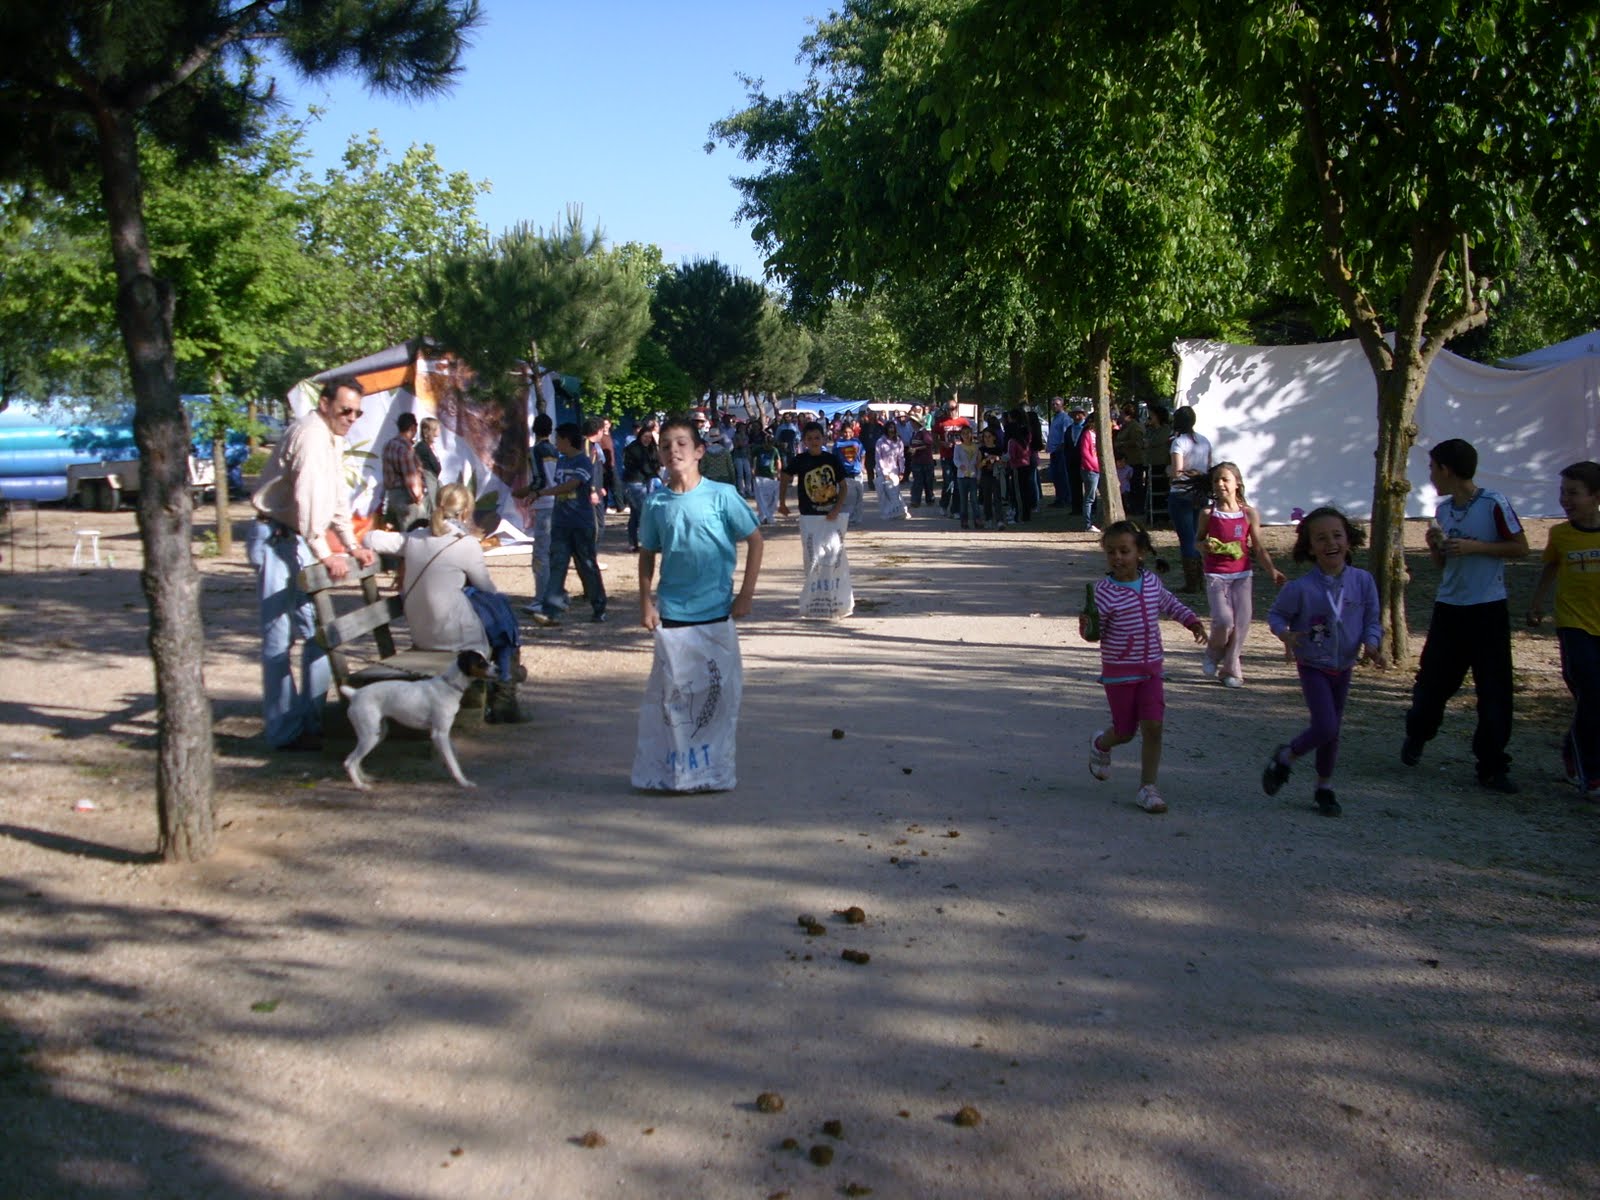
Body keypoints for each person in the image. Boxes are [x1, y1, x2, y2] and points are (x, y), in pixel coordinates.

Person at [633, 413, 764, 791]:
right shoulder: (657, 503)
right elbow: (647, 554)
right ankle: (679, 772)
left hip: (717, 614)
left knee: (717, 697)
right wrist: (646, 603)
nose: (673, 451)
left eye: (681, 443)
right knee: (676, 701)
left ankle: (713, 772)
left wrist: (746, 594)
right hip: (674, 615)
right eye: (665, 445)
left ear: (699, 451)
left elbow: (755, 540)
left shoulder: (722, 496)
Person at [248, 376, 377, 751]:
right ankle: (285, 732)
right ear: (324, 404)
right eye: (345, 410)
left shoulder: (332, 438)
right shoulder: (308, 435)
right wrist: (325, 553)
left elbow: (336, 498)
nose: (351, 418)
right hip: (276, 538)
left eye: (357, 413)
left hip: (297, 540)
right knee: (278, 641)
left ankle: (312, 720)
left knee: (320, 634)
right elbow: (306, 501)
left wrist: (351, 545)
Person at [1401, 438, 1529, 792]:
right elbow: (1443, 565)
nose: (1430, 475)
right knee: (1433, 683)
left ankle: (1492, 764)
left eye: (1432, 468)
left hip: (1487, 607)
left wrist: (1477, 548)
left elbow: (1521, 547)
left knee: (1494, 689)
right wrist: (1436, 548)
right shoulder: (1443, 510)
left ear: (1447, 469)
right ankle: (1418, 732)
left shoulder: (1493, 503)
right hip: (1449, 607)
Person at [363, 483, 524, 723]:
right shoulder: (466, 544)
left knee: (493, 613)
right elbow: (487, 587)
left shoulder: (414, 538)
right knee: (501, 613)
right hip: (458, 638)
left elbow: (369, 538)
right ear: (465, 512)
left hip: (422, 635)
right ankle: (505, 692)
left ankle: (505, 682)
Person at [1262, 507, 1386, 816]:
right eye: (1320, 538)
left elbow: (1372, 620)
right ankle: (1286, 756)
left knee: (1333, 730)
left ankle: (1324, 788)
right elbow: (1276, 615)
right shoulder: (1300, 588)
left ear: (1349, 540)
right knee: (1326, 726)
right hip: (1313, 666)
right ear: (1309, 547)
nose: (1331, 543)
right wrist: (1284, 634)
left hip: (1344, 666)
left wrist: (1372, 645)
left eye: (1337, 535)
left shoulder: (1363, 581)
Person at [1082, 520, 1206, 814]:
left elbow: (1170, 603)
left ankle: (1148, 788)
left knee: (1153, 727)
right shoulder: (1103, 592)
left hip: (1151, 671)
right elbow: (1093, 632)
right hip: (1119, 673)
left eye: (1124, 551)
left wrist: (1192, 621)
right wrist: (1088, 627)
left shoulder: (1151, 582)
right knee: (1125, 732)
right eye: (1111, 552)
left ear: (1141, 553)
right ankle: (1101, 744)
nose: (1117, 558)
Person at [1527, 460, 1600, 797]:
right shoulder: (1560, 535)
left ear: (1596, 496)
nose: (1565, 500)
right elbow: (1551, 568)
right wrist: (1536, 603)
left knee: (1593, 699)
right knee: (1591, 692)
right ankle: (1592, 772)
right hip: (1573, 625)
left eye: (1573, 493)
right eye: (1562, 493)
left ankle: (1572, 745)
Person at [1197, 462, 1286, 687]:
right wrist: (1204, 546)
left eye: (1225, 479)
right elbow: (1197, 541)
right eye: (1216, 480)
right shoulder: (1208, 514)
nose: (1220, 484)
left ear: (1237, 483)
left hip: (1242, 576)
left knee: (1242, 623)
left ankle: (1231, 670)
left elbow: (1258, 548)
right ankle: (1213, 652)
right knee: (1224, 621)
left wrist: (1272, 570)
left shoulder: (1248, 514)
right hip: (1216, 576)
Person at [521, 422, 606, 625]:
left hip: (581, 523)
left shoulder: (583, 461)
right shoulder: (561, 461)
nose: (555, 443)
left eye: (558, 439)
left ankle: (599, 606)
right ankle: (551, 611)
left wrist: (541, 493)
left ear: (567, 440)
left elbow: (571, 485)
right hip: (560, 522)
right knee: (558, 565)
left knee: (587, 565)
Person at [778, 422, 853, 619]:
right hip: (809, 517)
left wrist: (837, 508)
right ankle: (815, 598)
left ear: (824, 439)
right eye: (809, 439)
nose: (814, 442)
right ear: (804, 441)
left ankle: (835, 597)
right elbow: (785, 476)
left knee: (834, 557)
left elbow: (843, 486)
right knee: (813, 559)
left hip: (831, 517)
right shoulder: (800, 460)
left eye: (817, 438)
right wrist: (782, 502)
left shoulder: (831, 459)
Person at [1168, 405, 1213, 592]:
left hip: (1181, 492)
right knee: (1199, 534)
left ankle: (1192, 581)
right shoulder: (1204, 441)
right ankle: (1201, 577)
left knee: (1187, 537)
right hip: (1200, 493)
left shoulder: (1178, 443)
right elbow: (1208, 467)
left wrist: (1168, 472)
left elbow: (1177, 472)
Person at [521, 414, 560, 615]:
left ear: (534, 430)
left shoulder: (534, 451)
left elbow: (539, 479)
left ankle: (541, 598)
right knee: (553, 552)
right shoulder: (556, 450)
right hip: (558, 503)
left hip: (544, 503)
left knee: (540, 554)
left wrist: (529, 493)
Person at [380, 411, 427, 533]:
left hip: (392, 496)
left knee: (396, 535)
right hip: (406, 498)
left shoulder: (388, 445)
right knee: (415, 534)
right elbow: (411, 477)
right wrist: (418, 497)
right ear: (413, 427)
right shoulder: (405, 449)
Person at [621, 418, 661, 552]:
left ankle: (635, 542)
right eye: (645, 437)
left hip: (647, 482)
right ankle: (645, 542)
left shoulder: (651, 449)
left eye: (649, 437)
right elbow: (643, 466)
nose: (647, 439)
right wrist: (655, 474)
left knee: (636, 513)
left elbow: (656, 463)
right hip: (634, 483)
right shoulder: (633, 449)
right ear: (640, 436)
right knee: (643, 512)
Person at [933, 401, 970, 516]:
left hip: (960, 457)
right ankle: (944, 505)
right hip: (947, 456)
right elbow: (934, 438)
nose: (950, 411)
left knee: (959, 483)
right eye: (948, 409)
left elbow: (969, 437)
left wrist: (963, 444)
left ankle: (956, 509)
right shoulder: (941, 422)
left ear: (956, 408)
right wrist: (942, 443)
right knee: (948, 481)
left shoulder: (963, 422)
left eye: (952, 409)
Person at [875, 422, 909, 520]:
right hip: (882, 470)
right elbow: (878, 458)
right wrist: (884, 472)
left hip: (894, 470)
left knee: (895, 492)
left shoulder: (898, 441)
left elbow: (901, 457)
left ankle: (899, 511)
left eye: (893, 428)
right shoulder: (880, 441)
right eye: (889, 428)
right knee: (884, 494)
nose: (891, 430)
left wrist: (902, 471)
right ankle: (886, 513)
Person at [977, 426, 1007, 530]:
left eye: (989, 436)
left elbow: (1004, 463)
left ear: (994, 437)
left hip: (997, 476)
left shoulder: (999, 449)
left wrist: (998, 459)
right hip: (985, 476)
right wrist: (985, 460)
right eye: (985, 437)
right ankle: (988, 519)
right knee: (987, 499)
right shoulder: (981, 449)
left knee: (998, 499)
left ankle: (1000, 520)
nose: (987, 439)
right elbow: (978, 465)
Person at [953, 424, 980, 529]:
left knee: (974, 499)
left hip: (973, 475)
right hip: (962, 476)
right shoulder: (958, 447)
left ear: (971, 434)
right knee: (963, 499)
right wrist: (960, 465)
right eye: (963, 433)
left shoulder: (976, 447)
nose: (966, 435)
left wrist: (978, 475)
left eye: (968, 433)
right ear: (961, 435)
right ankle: (964, 520)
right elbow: (955, 459)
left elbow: (978, 462)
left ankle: (977, 519)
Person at [1046, 396, 1072, 508]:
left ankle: (1066, 498)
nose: (1054, 406)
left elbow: (1065, 436)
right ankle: (1059, 498)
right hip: (1054, 451)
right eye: (1053, 404)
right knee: (1056, 476)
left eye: (1056, 404)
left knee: (1062, 475)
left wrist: (1060, 448)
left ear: (1062, 405)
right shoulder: (1055, 418)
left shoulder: (1065, 418)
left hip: (1060, 451)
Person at [1079, 415, 1102, 533]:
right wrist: (1095, 466)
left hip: (1098, 469)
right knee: (1090, 498)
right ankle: (1088, 524)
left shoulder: (1099, 434)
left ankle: (1098, 521)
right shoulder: (1087, 434)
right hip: (1090, 470)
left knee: (1101, 495)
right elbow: (1085, 453)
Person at [415, 416, 443, 512]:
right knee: (432, 506)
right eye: (437, 428)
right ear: (432, 430)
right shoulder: (422, 447)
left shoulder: (431, 446)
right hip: (428, 481)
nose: (440, 430)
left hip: (434, 480)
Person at [1065, 403, 1089, 514]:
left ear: (1083, 415)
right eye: (1074, 414)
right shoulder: (1069, 429)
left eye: (1079, 414)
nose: (1076, 416)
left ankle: (1091, 508)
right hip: (1072, 461)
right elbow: (1066, 445)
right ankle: (1076, 508)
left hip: (1085, 460)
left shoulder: (1087, 428)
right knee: (1074, 485)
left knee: (1089, 485)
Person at [907, 423, 937, 509]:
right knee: (917, 481)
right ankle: (915, 501)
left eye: (913, 421)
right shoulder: (914, 433)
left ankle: (930, 499)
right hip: (916, 461)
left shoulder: (924, 432)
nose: (911, 423)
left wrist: (916, 449)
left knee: (928, 482)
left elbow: (929, 444)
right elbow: (912, 444)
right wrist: (911, 450)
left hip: (926, 461)